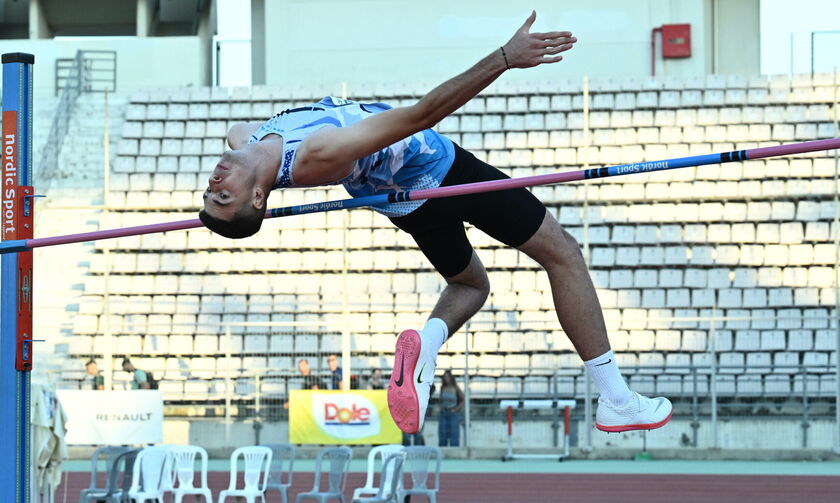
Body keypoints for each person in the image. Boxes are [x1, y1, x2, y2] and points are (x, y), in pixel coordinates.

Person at [198, 12, 671, 435]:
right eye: (225, 197)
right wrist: (504, 58)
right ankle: (616, 401)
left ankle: (426, 345)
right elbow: (424, 113)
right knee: (563, 253)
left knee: (470, 285)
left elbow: (237, 138)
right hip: (442, 175)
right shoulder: (319, 155)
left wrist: (236, 173)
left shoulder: (246, 139)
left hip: (405, 201)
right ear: (260, 198)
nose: (216, 182)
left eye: (212, 192)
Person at [438, 370, 464, 447]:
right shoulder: (442, 388)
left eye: (448, 377)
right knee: (443, 432)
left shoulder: (456, 388)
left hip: (453, 413)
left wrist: (456, 409)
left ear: (451, 378)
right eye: (445, 377)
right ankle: (443, 449)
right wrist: (440, 406)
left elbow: (463, 400)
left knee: (454, 433)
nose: (446, 379)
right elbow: (440, 399)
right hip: (443, 413)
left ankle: (455, 450)